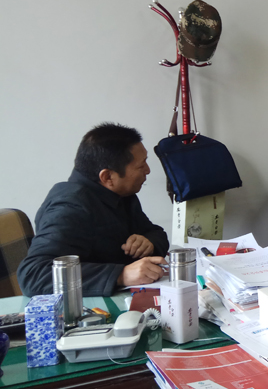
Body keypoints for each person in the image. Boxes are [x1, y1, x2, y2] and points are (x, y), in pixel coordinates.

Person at [18, 123, 169, 297]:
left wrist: (148, 242)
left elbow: (156, 232)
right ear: (107, 176)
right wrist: (121, 275)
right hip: (85, 308)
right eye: (141, 166)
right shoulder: (69, 207)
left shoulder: (121, 194)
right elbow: (33, 275)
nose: (148, 171)